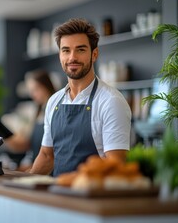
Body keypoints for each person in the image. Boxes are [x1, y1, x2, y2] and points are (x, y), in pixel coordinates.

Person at [29, 18, 131, 177]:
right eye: (66, 50)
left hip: (94, 198)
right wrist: (25, 184)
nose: (72, 58)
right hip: (57, 196)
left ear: (94, 54)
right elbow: (47, 156)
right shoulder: (54, 101)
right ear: (60, 55)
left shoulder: (111, 101)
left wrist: (72, 180)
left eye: (81, 50)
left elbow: (115, 164)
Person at [0, 69, 57, 171]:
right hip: (35, 165)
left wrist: (32, 169)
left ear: (46, 86)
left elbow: (52, 153)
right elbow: (30, 145)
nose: (33, 94)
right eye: (31, 91)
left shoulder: (55, 110)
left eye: (36, 89)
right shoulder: (38, 111)